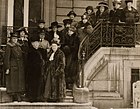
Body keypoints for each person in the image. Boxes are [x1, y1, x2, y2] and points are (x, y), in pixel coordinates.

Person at [4, 32, 25, 102]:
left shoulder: (18, 46)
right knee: (13, 81)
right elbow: (7, 58)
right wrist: (7, 67)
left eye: (16, 38)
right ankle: (14, 96)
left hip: (19, 66)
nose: (15, 40)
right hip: (13, 66)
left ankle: (19, 94)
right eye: (13, 38)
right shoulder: (9, 46)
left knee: (19, 81)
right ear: (11, 39)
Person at [27, 36, 44, 102]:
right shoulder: (31, 52)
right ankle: (32, 97)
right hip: (32, 71)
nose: (37, 45)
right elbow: (30, 63)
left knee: (37, 84)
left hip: (38, 71)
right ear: (32, 44)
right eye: (35, 43)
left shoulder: (38, 51)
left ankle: (37, 97)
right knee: (33, 84)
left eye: (38, 43)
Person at [16, 27, 29, 98]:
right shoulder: (17, 41)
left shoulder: (27, 41)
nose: (22, 34)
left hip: (26, 60)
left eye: (23, 32)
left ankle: (25, 90)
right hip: (20, 59)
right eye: (21, 32)